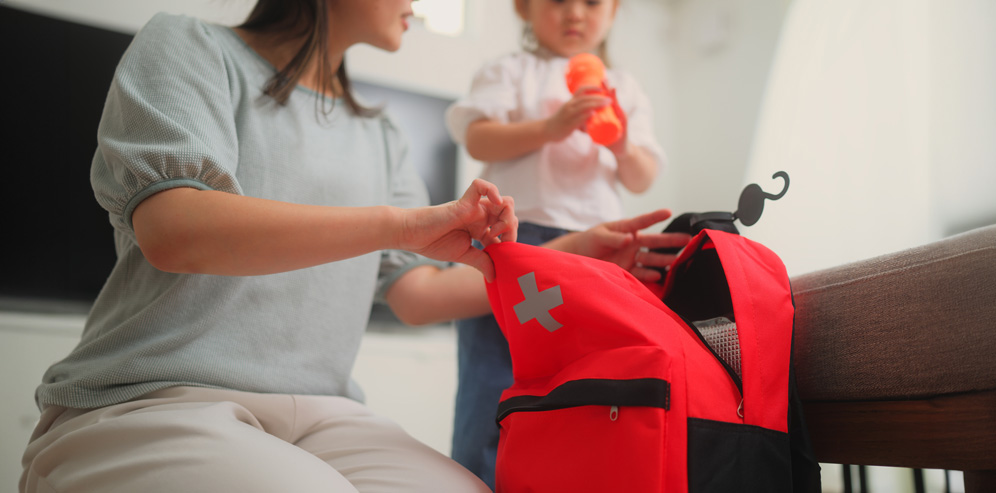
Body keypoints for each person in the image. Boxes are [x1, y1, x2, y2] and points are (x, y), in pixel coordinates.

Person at [19, 1, 687, 492]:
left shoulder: (382, 135)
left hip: (328, 413)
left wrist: (573, 253)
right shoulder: (186, 48)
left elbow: (418, 295)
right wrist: (399, 224)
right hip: (150, 399)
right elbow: (176, 230)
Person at [444, 0, 667, 487]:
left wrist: (622, 145)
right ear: (524, 8)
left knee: (582, 374)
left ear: (614, 11)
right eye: (557, 1)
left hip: (596, 250)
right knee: (492, 374)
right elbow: (479, 139)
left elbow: (643, 175)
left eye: (591, 3)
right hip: (517, 240)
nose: (574, 14)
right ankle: (476, 477)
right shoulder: (511, 70)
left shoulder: (622, 87)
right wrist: (551, 128)